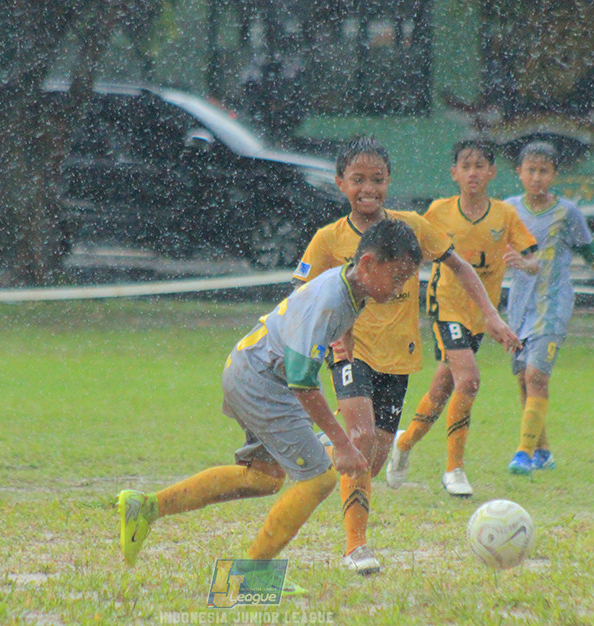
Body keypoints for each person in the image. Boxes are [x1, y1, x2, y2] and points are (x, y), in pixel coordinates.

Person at [116, 218, 422, 593]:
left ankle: (145, 507)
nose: (401, 287)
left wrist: (344, 372)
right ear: (370, 263)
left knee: (262, 478)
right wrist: (341, 443)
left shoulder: (351, 289)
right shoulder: (330, 300)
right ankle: (251, 575)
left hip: (250, 369)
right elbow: (302, 383)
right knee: (321, 476)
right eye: (398, 276)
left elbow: (340, 333)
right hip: (262, 381)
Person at [292, 136, 521, 575]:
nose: (369, 189)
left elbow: (459, 266)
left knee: (373, 459)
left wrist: (491, 316)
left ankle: (327, 446)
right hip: (348, 351)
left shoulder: (412, 226)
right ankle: (356, 547)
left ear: (388, 182)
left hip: (398, 357)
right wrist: (323, 334)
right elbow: (299, 293)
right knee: (358, 439)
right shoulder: (328, 239)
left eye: (377, 179)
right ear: (341, 183)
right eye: (358, 180)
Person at [385, 139, 537, 497]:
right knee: (468, 380)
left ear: (492, 172)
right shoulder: (439, 211)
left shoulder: (505, 215)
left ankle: (404, 444)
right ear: (454, 173)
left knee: (443, 388)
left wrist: (525, 264)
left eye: (480, 165)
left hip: (481, 316)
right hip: (446, 307)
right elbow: (414, 247)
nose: (473, 172)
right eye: (466, 166)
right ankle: (454, 469)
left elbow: (533, 260)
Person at [503, 141, 594, 473]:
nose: (536, 177)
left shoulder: (567, 213)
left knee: (536, 376)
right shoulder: (508, 209)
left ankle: (523, 454)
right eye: (530, 170)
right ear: (519, 173)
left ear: (555, 174)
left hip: (553, 306)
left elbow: (593, 254)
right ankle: (542, 451)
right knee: (522, 380)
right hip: (518, 308)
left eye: (543, 170)